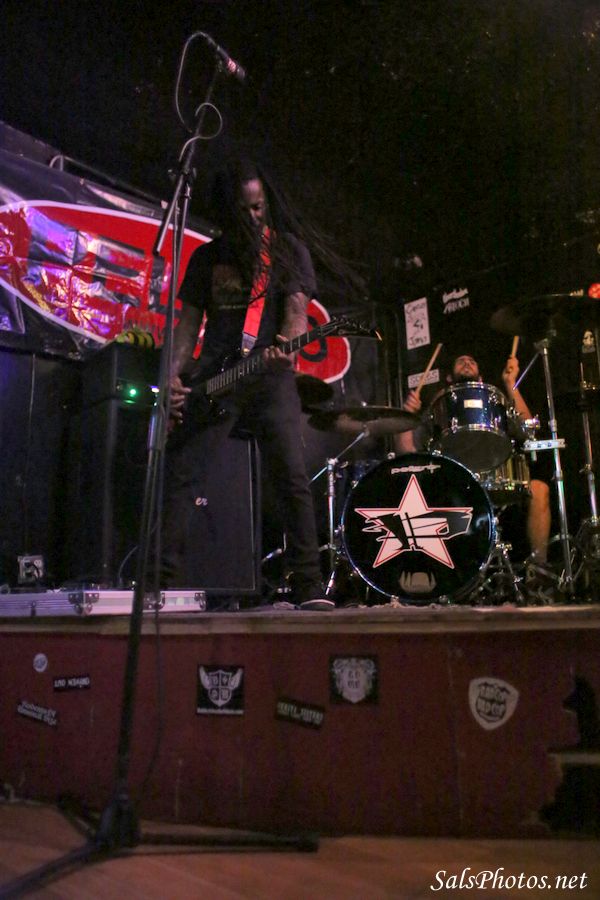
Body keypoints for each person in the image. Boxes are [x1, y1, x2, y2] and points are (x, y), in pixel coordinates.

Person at [161, 157, 334, 610]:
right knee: (181, 473)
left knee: (292, 478)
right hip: (215, 381)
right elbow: (187, 327)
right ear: (227, 212)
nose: (255, 217)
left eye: (260, 208)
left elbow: (296, 311)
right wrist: (173, 376)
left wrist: (288, 345)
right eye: (245, 211)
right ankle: (162, 583)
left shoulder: (287, 250)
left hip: (269, 377)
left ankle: (309, 585)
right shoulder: (206, 258)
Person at [394, 353, 551, 565]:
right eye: (461, 361)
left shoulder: (494, 402)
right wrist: (407, 416)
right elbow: (407, 451)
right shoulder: (438, 408)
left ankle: (538, 571)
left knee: (539, 489)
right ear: (449, 378)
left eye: (472, 361)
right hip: (453, 485)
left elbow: (527, 429)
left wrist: (510, 383)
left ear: (481, 378)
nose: (467, 363)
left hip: (497, 480)